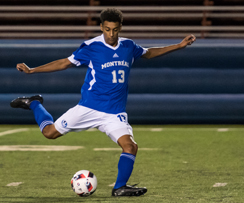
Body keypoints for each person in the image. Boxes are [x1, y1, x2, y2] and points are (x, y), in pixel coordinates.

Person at [10, 8, 196, 196]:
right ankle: (34, 103)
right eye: (107, 29)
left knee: (130, 146)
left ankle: (119, 188)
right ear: (101, 27)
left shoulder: (129, 46)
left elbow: (148, 53)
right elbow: (64, 63)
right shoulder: (91, 47)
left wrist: (179, 46)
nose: (111, 34)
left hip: (114, 113)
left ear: (120, 28)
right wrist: (32, 70)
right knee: (49, 133)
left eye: (115, 30)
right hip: (89, 108)